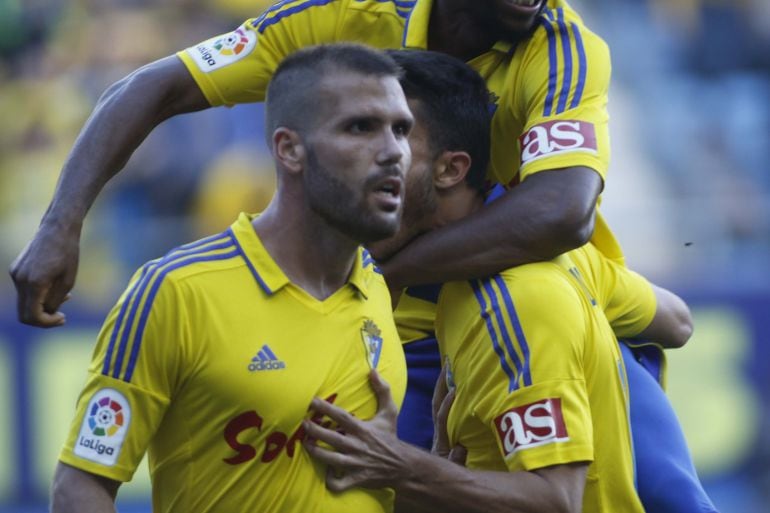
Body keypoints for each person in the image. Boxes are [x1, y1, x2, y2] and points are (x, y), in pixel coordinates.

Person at [303, 48, 697, 513]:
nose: (365, 162)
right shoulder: (552, 263)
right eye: (358, 134)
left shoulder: (514, 301)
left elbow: (554, 500)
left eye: (399, 138)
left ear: (451, 168)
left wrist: (403, 468)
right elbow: (675, 321)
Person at [49, 43, 412, 513]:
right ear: (290, 149)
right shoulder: (177, 291)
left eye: (401, 129)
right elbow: (80, 486)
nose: (393, 151)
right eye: (360, 127)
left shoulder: (377, 286)